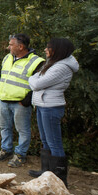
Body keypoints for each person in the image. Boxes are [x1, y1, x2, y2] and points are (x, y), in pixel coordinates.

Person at [28, 38, 78, 184]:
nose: (45, 50)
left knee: (54, 142)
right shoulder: (53, 64)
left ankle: (59, 180)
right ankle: (46, 172)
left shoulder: (61, 67)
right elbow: (37, 80)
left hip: (51, 107)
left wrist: (32, 78)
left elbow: (36, 83)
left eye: (48, 47)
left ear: (57, 50)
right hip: (43, 104)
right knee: (45, 141)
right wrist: (34, 79)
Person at [0, 34, 45, 167]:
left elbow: (42, 83)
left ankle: (20, 155)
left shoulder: (37, 62)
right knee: (4, 127)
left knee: (23, 130)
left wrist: (28, 99)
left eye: (11, 45)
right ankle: (6, 150)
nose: (8, 47)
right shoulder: (7, 58)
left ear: (21, 46)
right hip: (4, 99)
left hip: (20, 103)